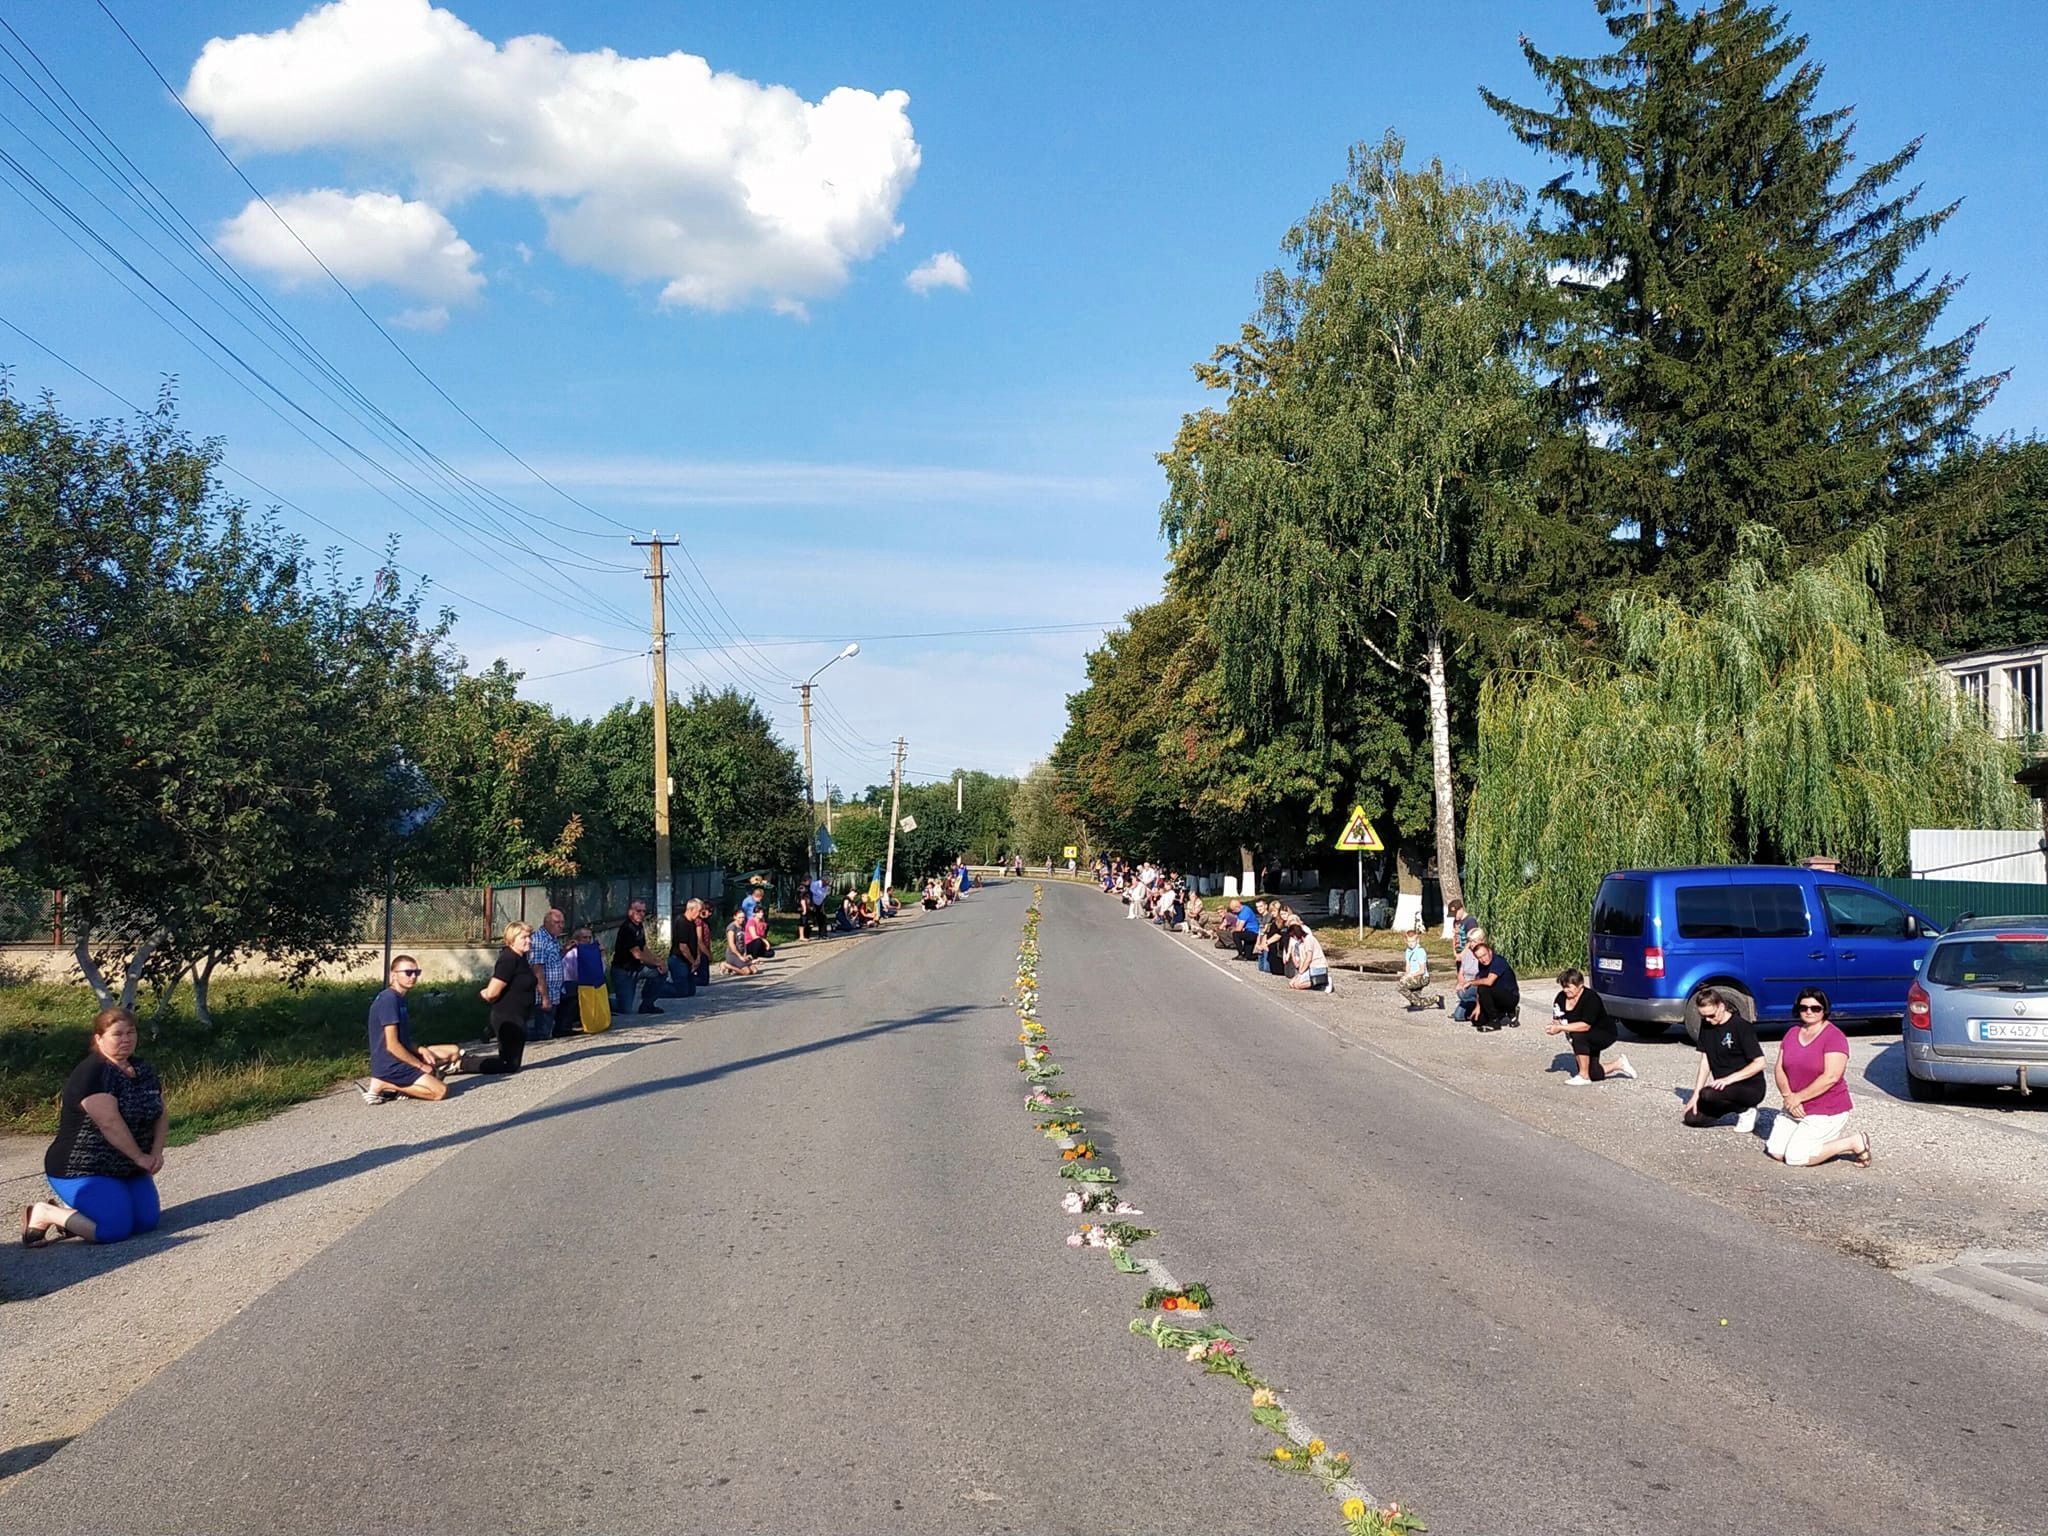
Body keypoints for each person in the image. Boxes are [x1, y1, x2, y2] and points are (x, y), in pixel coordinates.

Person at [22, 1007, 167, 1247]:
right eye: (117, 1034)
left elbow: (160, 1112)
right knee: (114, 1230)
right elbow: (109, 1123)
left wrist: (156, 1152)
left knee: (145, 1223)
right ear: (99, 1039)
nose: (126, 1039)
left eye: (131, 1032)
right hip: (83, 1168)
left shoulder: (142, 1069)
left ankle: (76, 1212)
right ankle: (45, 1213)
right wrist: (140, 1157)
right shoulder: (93, 1073)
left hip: (127, 1166)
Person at [1766, 988, 1872, 1167]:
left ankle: (1853, 1142)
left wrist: (1797, 1098)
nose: (1809, 1012)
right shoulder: (1792, 1033)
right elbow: (1779, 1068)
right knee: (1776, 1151)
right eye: (1804, 1007)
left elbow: (1831, 1076)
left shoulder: (1834, 1037)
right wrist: (1788, 1097)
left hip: (1826, 1108)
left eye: (1815, 1008)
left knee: (1796, 1158)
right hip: (1794, 1106)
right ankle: (1807, 1140)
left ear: (1824, 1010)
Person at [359, 954, 464, 1103]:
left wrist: (420, 1049)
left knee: (453, 1051)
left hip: (402, 1053)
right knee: (440, 1091)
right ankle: (385, 1083)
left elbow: (403, 1040)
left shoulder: (399, 999)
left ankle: (414, 1081)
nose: (413, 976)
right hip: (390, 1063)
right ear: (394, 975)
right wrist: (420, 1065)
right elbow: (392, 1045)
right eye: (408, 973)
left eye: (417, 972)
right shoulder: (389, 1000)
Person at [1681, 987, 1767, 1130]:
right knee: (1692, 1118)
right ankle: (1730, 1107)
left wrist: (1728, 1079)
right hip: (1722, 1087)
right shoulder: (1707, 1025)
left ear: (1721, 1006)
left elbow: (1760, 1063)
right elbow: (1705, 1061)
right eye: (1704, 1017)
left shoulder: (1741, 1026)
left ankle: (1746, 1110)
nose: (1708, 1020)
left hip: (1748, 1087)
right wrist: (1695, 1095)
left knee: (1708, 1094)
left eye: (1712, 1015)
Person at [1546, 969, 1635, 1084]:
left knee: (1578, 1034)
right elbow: (1557, 1019)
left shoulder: (1591, 998)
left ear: (1580, 985)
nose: (1566, 990)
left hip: (1603, 1032)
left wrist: (1561, 1028)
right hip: (1584, 1035)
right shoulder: (1560, 998)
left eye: (1569, 987)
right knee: (1594, 1073)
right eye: (1563, 987)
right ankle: (1619, 1064)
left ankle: (1583, 1076)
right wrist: (1554, 1028)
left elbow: (1585, 1026)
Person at [474, 921, 537, 1073]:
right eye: (524, 937)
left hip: (519, 1016)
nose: (528, 940)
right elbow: (492, 992)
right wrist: (485, 994)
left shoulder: (521, 958)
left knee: (512, 1063)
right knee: (508, 1065)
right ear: (512, 940)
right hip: (507, 1016)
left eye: (529, 937)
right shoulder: (508, 959)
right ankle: (464, 1063)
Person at [612, 899, 660, 1017]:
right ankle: (601, 1002)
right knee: (625, 1009)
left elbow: (644, 948)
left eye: (644, 911)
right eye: (638, 911)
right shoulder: (627, 928)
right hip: (624, 971)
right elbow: (637, 954)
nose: (641, 914)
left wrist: (658, 962)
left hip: (637, 969)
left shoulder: (639, 926)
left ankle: (647, 1004)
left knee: (659, 972)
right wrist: (656, 963)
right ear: (630, 912)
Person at [528, 908, 566, 1042]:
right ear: (547, 923)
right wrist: (545, 997)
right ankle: (505, 1034)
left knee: (546, 1029)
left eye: (562, 922)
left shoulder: (553, 939)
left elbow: (553, 961)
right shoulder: (539, 940)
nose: (561, 925)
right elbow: (537, 969)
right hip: (544, 991)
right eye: (557, 922)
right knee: (542, 1032)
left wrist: (565, 950)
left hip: (555, 990)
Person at [1468, 934, 1520, 1030]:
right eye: (1479, 957)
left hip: (1509, 996)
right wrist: (1478, 1006)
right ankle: (1502, 1014)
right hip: (1495, 997)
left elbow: (1488, 982)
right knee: (1477, 1021)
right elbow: (1482, 982)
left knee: (1484, 987)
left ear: (1490, 951)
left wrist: (1471, 982)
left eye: (1484, 955)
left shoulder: (1498, 961)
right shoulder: (1482, 964)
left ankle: (1496, 1020)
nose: (1483, 959)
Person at [569, 925, 612, 1034]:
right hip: (576, 985)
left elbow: (601, 970)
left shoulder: (593, 952)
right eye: (585, 938)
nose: (588, 940)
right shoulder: (573, 953)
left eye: (589, 938)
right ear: (577, 939)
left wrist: (601, 954)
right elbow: (570, 973)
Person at [1398, 927, 1438, 1010]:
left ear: (1417, 940)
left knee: (1401, 986)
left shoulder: (1420, 951)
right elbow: (1408, 966)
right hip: (1413, 976)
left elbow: (1422, 970)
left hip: (1422, 977)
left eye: (1413, 941)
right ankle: (1418, 1001)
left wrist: (1410, 976)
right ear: (1406, 941)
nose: (1411, 944)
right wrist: (1406, 975)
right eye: (1409, 941)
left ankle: (1432, 1000)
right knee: (1413, 999)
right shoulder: (1408, 951)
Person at [1452, 922, 1485, 1021]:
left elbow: (1481, 975)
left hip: (1477, 984)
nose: (1471, 944)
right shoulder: (1467, 953)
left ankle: (1485, 1006)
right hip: (1466, 983)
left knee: (1464, 995)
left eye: (1474, 941)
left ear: (1481, 941)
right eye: (1470, 941)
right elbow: (1461, 971)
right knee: (1458, 1017)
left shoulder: (1484, 954)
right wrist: (1461, 982)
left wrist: (1469, 983)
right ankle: (1472, 1007)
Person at [1286, 920, 1332, 991]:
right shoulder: (1300, 944)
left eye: (1293, 936)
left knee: (1298, 985)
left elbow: (1308, 958)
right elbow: (1302, 959)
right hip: (1308, 968)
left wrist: (1301, 972)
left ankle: (1323, 982)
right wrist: (1300, 973)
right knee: (1292, 983)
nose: (1293, 938)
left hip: (1317, 966)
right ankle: (1317, 983)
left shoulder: (1309, 939)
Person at [723, 907, 759, 976]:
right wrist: (740, 956)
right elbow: (731, 944)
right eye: (739, 917)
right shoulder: (731, 928)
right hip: (733, 954)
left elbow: (744, 941)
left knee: (754, 970)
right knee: (747, 972)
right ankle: (727, 966)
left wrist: (745, 953)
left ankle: (735, 969)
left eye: (743, 917)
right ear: (734, 917)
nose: (742, 919)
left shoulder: (742, 926)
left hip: (741, 952)